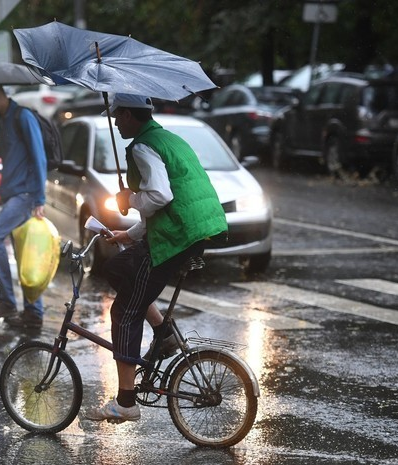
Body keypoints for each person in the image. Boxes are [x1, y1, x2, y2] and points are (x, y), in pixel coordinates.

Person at [84, 93, 228, 422]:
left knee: (124, 312)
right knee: (117, 267)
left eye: (118, 116)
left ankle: (126, 402)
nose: (116, 122)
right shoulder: (168, 138)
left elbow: (160, 196)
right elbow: (160, 204)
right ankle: (164, 334)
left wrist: (129, 198)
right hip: (192, 231)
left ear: (131, 115)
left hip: (177, 237)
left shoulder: (142, 147)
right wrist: (129, 234)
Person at [0, 84, 48, 329]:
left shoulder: (22, 116)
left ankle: (7, 300)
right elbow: (8, 154)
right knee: (24, 255)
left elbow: (39, 157)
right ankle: (33, 314)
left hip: (25, 194)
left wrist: (39, 198)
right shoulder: (4, 120)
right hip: (13, 194)